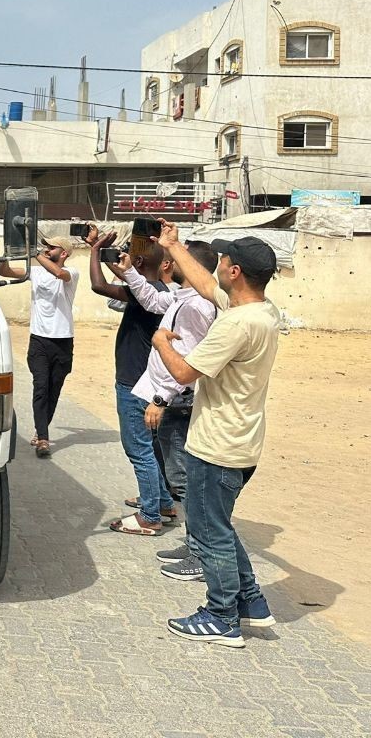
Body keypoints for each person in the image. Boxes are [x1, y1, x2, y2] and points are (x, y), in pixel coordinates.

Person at [153, 225, 281, 648]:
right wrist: (172, 246)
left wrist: (160, 343)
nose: (219, 264)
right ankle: (252, 603)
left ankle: (221, 616)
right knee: (220, 525)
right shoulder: (260, 310)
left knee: (210, 533)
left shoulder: (236, 326)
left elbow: (186, 372)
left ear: (236, 271)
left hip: (217, 445)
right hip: (240, 442)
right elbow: (206, 285)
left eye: (224, 260)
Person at [119, 239, 220, 581]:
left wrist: (160, 399)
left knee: (186, 481)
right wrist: (129, 271)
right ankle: (194, 545)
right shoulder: (184, 297)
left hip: (177, 401)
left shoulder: (196, 308)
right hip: (172, 399)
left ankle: (201, 554)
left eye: (178, 254)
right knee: (181, 478)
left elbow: (187, 361)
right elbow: (151, 300)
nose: (169, 259)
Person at [89, 230, 174, 537]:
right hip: (147, 382)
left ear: (137, 261)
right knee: (149, 446)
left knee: (138, 450)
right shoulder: (159, 289)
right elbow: (123, 275)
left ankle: (149, 515)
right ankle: (163, 502)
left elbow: (98, 286)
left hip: (133, 384)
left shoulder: (144, 293)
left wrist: (96, 251)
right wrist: (106, 252)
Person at [0, 236, 79, 458]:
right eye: (45, 246)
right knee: (41, 387)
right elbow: (6, 272)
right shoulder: (36, 272)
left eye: (51, 247)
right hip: (39, 341)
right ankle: (43, 438)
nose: (46, 249)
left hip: (63, 341)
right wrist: (8, 251)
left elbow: (59, 274)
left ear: (63, 253)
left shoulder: (72, 273)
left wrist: (34, 253)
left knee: (54, 391)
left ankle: (40, 429)